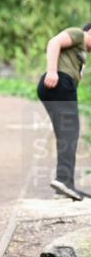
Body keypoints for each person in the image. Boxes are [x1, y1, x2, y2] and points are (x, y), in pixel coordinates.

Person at [38, 23, 91, 200]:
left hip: (61, 86)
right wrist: (52, 71)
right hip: (59, 82)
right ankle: (63, 181)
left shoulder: (82, 53)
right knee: (70, 132)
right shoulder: (78, 34)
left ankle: (64, 185)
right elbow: (54, 42)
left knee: (65, 135)